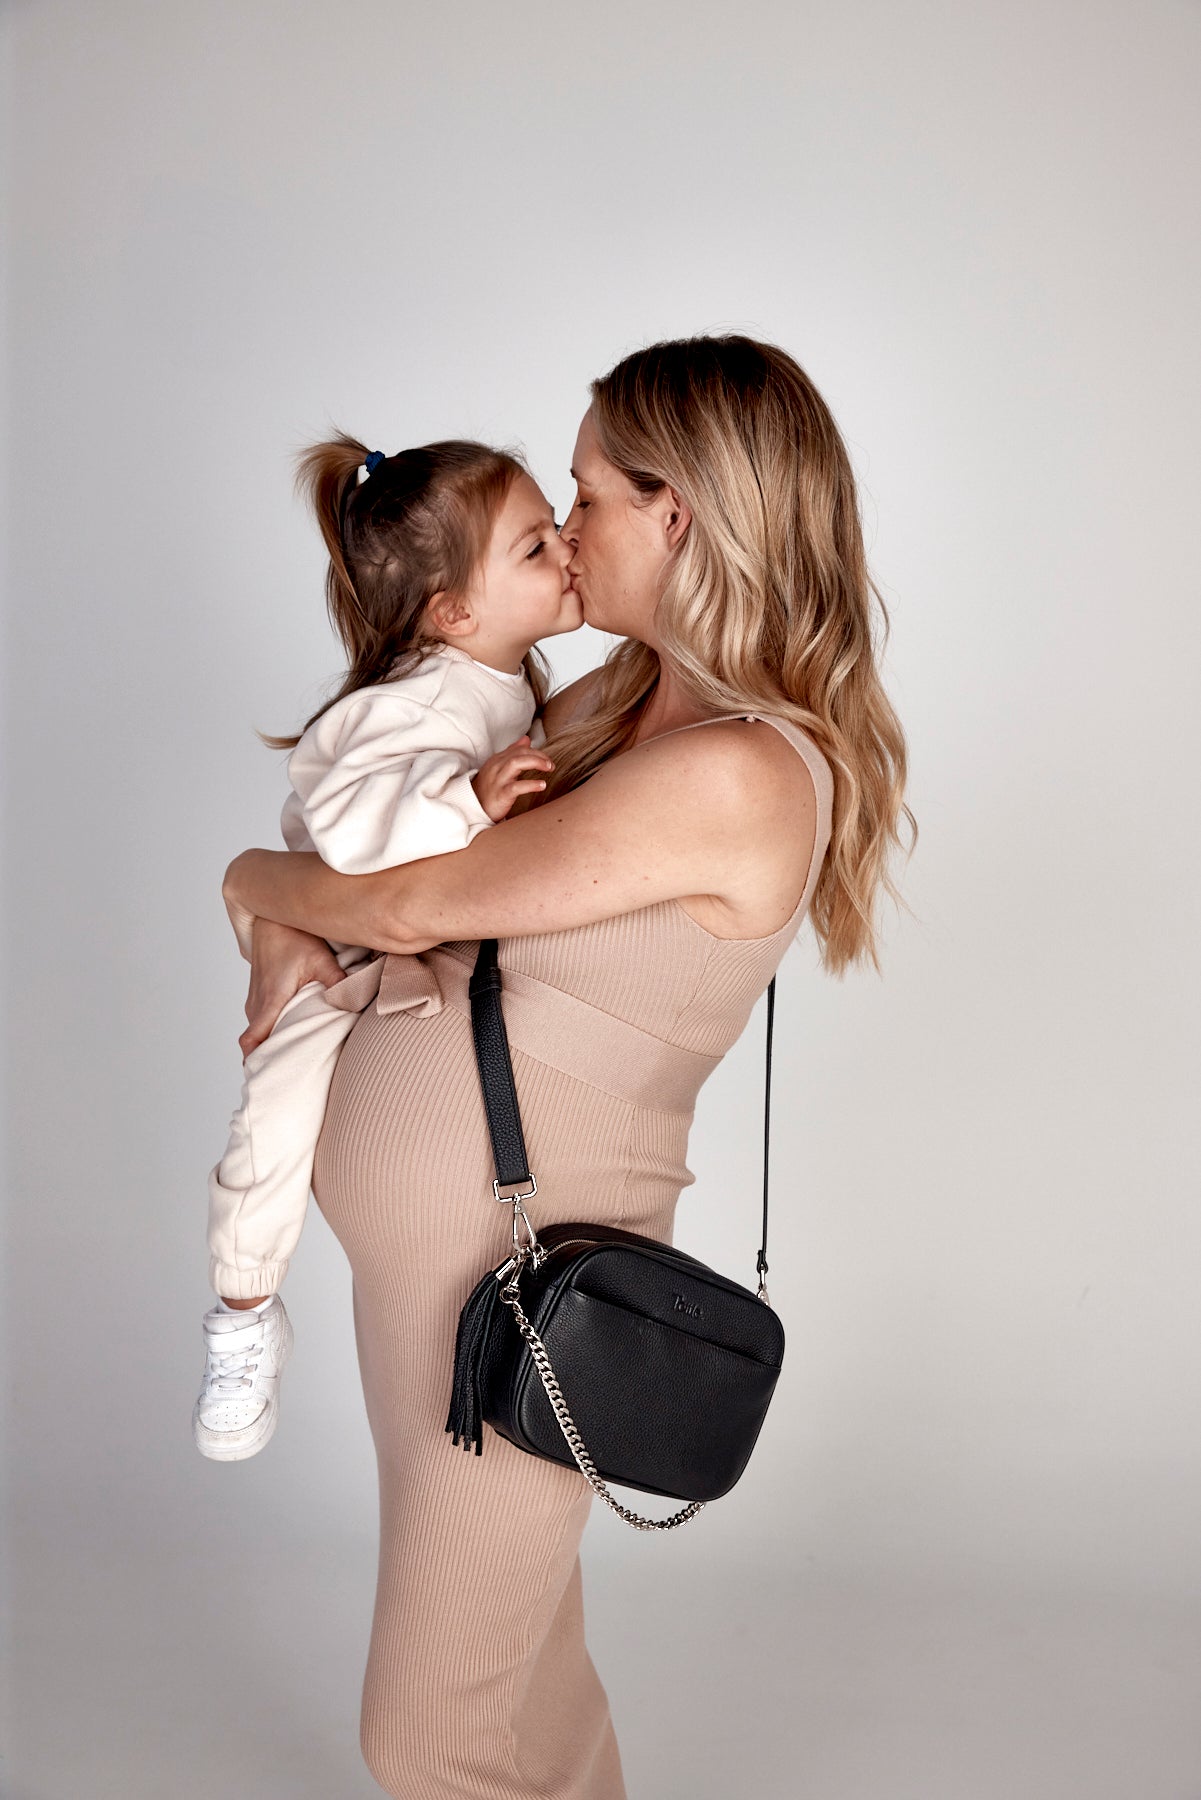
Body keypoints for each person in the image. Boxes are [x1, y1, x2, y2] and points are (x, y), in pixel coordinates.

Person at [220, 335, 914, 1800]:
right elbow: (367, 857)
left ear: (678, 515)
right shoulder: (598, 712)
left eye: (590, 492)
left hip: (520, 1289)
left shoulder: (737, 771)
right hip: (439, 1276)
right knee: (525, 1689)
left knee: (431, 1734)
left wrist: (250, 882)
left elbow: (405, 905)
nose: (569, 524)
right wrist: (278, 909)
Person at [195, 436, 579, 1461]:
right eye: (539, 546)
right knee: (270, 1122)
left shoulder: (508, 681)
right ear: (453, 612)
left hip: (413, 967)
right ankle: (242, 1310)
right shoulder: (404, 702)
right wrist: (463, 799)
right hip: (332, 952)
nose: (570, 551)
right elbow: (358, 836)